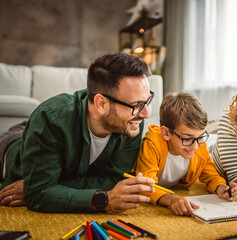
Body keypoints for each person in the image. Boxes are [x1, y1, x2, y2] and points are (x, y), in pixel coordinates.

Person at [0, 53, 157, 213]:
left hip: (46, 134)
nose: (146, 113)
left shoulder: (132, 124)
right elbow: (37, 195)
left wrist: (52, 186)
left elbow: (113, 179)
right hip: (12, 145)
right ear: (101, 103)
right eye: (136, 105)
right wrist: (102, 199)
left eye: (146, 101)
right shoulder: (50, 118)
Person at [135, 92, 237, 216]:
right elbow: (145, 186)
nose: (195, 146)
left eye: (201, 137)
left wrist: (221, 187)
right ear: (166, 133)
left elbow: (211, 175)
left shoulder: (199, 146)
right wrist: (171, 200)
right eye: (187, 138)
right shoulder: (153, 143)